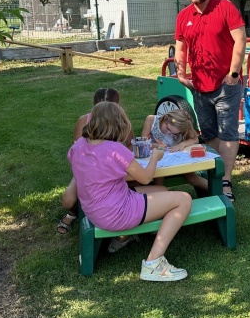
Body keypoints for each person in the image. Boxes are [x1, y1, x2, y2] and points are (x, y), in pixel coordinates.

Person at [68, 101, 192, 281]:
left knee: (161, 189)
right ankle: (153, 263)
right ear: (119, 123)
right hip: (116, 212)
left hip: (94, 209)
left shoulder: (79, 145)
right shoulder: (115, 149)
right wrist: (155, 157)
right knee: (184, 199)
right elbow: (145, 178)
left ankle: (127, 236)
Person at [174, 0, 246, 202]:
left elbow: (240, 40)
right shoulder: (184, 16)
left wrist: (233, 73)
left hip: (226, 84)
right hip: (199, 86)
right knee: (209, 133)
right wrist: (181, 74)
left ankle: (225, 181)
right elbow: (180, 48)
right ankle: (216, 175)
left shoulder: (225, 7)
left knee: (228, 132)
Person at [57, 88, 127, 234]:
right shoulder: (84, 121)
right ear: (93, 105)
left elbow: (131, 144)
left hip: (113, 170)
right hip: (87, 170)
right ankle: (73, 212)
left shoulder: (122, 121)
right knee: (68, 201)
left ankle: (123, 210)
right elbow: (77, 153)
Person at [141, 108, 207, 192]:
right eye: (168, 129)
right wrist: (156, 146)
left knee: (192, 178)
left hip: (175, 158)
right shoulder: (151, 120)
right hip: (157, 159)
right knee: (159, 176)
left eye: (174, 134)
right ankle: (162, 197)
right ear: (165, 118)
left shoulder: (184, 125)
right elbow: (142, 143)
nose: (168, 133)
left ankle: (219, 191)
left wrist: (182, 144)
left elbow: (195, 139)